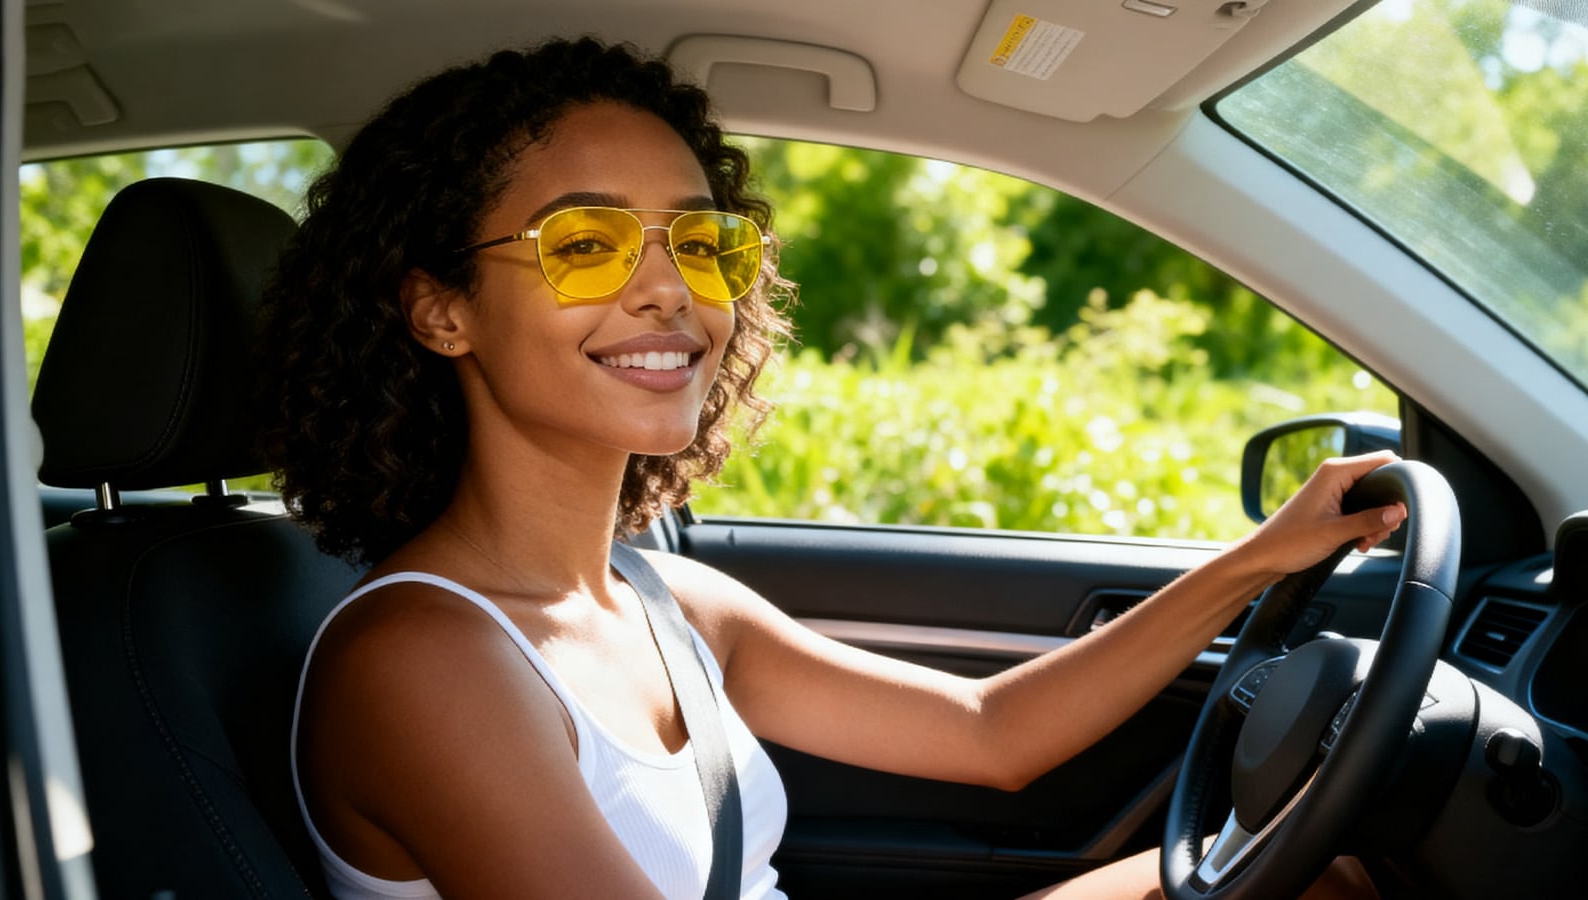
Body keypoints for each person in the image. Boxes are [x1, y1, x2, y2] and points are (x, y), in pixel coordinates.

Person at [261, 37, 1405, 900]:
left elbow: (986, 734)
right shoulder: (422, 660)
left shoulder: (665, 602)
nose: (671, 288)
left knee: (1319, 875)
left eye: (702, 243)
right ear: (440, 310)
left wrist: (1260, 560)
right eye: (587, 243)